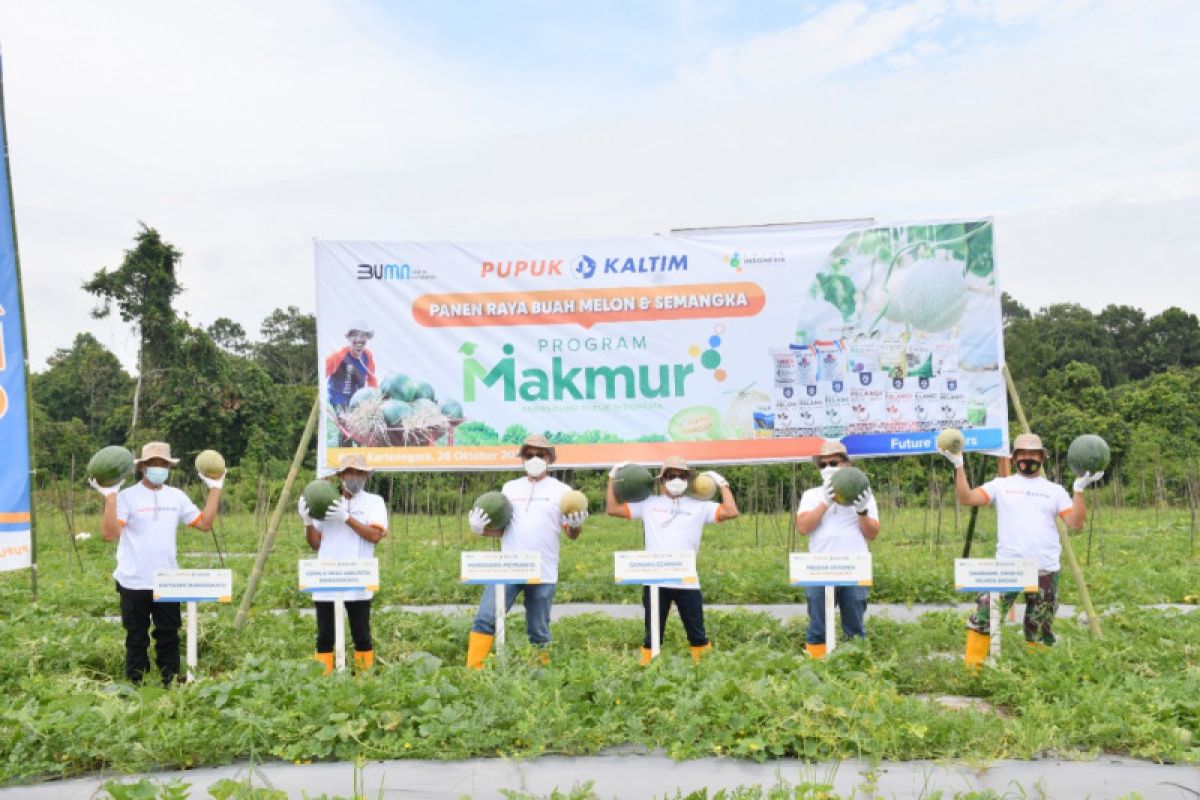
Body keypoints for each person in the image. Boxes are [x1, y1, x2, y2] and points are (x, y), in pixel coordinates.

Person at [943, 432, 1101, 666]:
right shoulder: (1001, 485)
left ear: (1042, 457)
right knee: (986, 615)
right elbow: (967, 498)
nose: (1028, 458)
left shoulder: (1054, 490)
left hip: (1044, 570)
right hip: (1008, 568)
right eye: (1023, 453)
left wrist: (1078, 490)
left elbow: (1076, 523)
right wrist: (959, 466)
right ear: (1015, 458)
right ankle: (972, 671)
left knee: (1039, 625)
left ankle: (1035, 675)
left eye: (1033, 454)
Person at [94, 442, 223, 686]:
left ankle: (171, 681)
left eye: (163, 464)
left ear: (168, 467)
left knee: (168, 635)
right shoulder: (126, 497)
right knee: (136, 637)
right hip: (134, 579)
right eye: (153, 463)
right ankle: (136, 683)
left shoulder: (177, 497)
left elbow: (204, 524)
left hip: (167, 580)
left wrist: (215, 489)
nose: (158, 468)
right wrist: (110, 497)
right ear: (143, 467)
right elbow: (110, 534)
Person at [465, 434, 588, 668]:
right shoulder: (509, 488)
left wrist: (575, 525)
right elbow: (502, 530)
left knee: (538, 630)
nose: (534, 459)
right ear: (522, 459)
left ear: (549, 458)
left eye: (539, 455)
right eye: (529, 455)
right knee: (485, 618)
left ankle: (541, 676)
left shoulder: (563, 491)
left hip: (544, 570)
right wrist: (480, 529)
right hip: (508, 567)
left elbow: (571, 534)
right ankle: (473, 671)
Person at [605, 456, 738, 664]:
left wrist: (723, 484)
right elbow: (613, 508)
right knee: (653, 633)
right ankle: (647, 668)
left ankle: (703, 668)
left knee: (697, 631)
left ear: (688, 480)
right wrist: (612, 478)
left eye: (681, 476)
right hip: (655, 580)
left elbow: (731, 511)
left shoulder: (699, 505)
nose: (676, 480)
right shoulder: (649, 504)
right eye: (671, 476)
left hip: (687, 580)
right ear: (662, 480)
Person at [298, 454, 389, 674]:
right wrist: (308, 522)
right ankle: (325, 679)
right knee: (324, 637)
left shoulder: (373, 502)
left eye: (360, 473)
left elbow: (375, 536)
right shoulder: (326, 501)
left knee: (362, 635)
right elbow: (315, 543)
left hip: (357, 578)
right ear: (340, 476)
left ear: (366, 476)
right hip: (327, 579)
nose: (355, 477)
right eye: (350, 472)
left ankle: (363, 681)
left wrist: (346, 517)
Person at [794, 440, 879, 658]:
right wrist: (825, 502)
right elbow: (803, 528)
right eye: (823, 465)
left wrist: (861, 511)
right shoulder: (811, 495)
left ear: (846, 464)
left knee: (855, 626)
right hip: (819, 569)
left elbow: (872, 534)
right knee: (817, 626)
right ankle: (815, 664)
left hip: (853, 568)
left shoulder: (863, 493)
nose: (828, 468)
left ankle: (856, 665)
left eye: (834, 462)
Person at [325, 321, 378, 412]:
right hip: (337, 402)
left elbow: (372, 380)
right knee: (343, 418)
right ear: (349, 338)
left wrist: (375, 399)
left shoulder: (368, 356)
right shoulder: (337, 356)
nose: (358, 339)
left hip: (357, 403)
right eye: (355, 335)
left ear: (366, 339)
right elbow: (322, 372)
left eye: (362, 336)